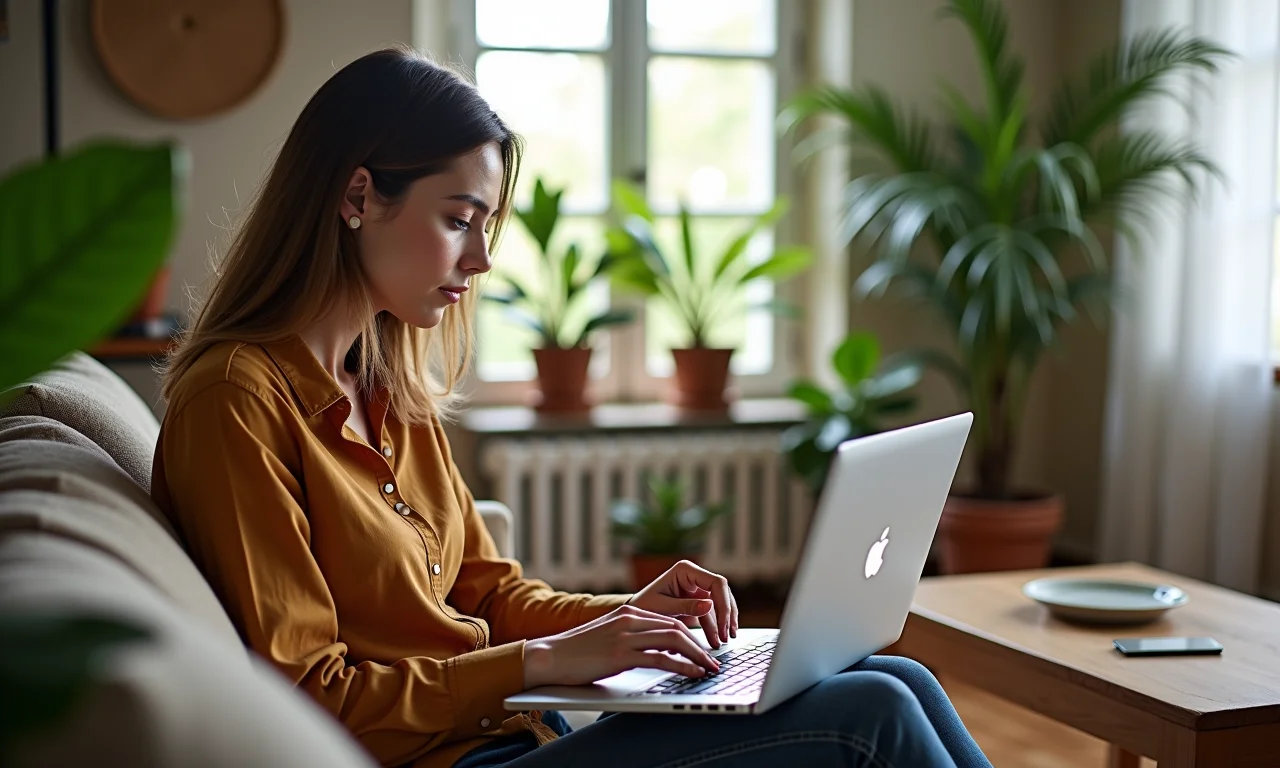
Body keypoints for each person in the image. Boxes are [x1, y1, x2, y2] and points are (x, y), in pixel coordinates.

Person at [151, 46, 993, 768]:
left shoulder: (386, 383)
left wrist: (635, 620)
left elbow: (487, 594)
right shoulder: (236, 402)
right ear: (358, 196)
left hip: (522, 736)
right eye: (459, 219)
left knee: (896, 678)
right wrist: (541, 661)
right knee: (870, 716)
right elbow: (310, 694)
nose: (481, 258)